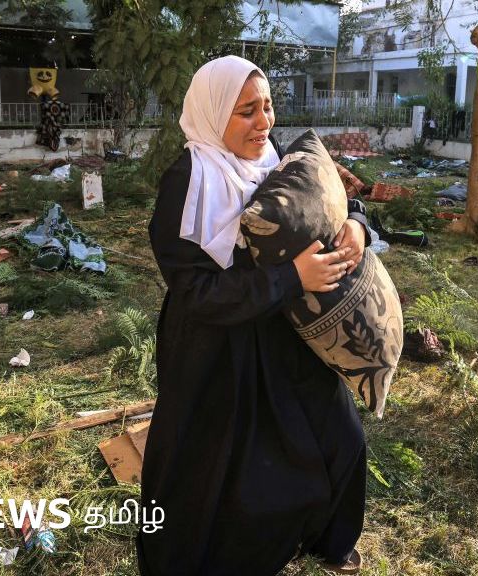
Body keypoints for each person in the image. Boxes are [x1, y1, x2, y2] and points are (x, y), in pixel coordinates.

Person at [139, 55, 371, 575]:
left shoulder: (275, 157)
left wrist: (357, 225)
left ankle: (330, 539)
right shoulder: (187, 181)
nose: (263, 122)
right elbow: (195, 291)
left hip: (285, 333)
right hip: (217, 347)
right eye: (246, 111)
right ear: (212, 112)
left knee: (340, 436)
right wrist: (291, 278)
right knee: (217, 471)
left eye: (267, 107)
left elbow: (332, 196)